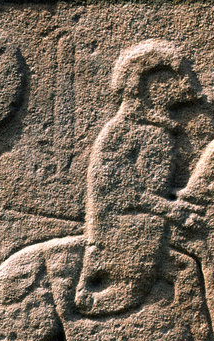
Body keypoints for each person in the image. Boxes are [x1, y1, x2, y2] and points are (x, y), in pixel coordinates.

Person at [76, 40, 205, 317]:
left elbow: (153, 189)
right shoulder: (120, 132)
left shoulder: (155, 132)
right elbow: (122, 193)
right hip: (123, 238)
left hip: (149, 228)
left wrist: (179, 201)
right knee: (187, 270)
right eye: (171, 82)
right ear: (146, 86)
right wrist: (171, 209)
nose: (181, 92)